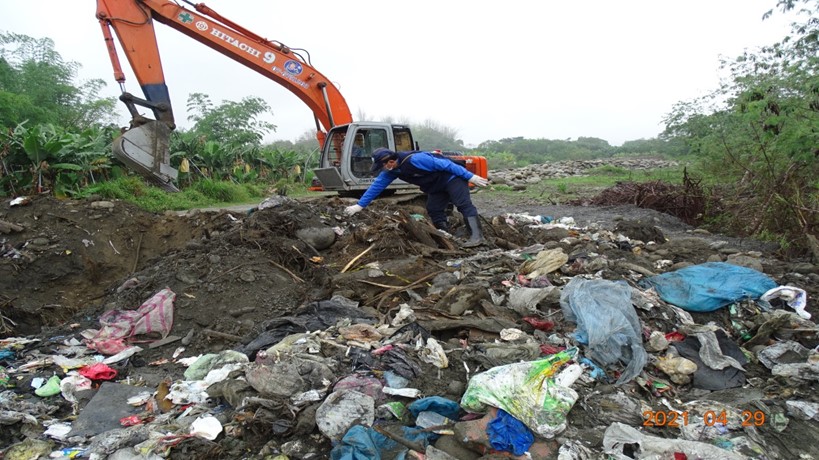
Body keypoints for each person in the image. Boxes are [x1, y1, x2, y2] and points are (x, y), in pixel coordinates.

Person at [344, 147, 490, 247]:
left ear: (390, 162)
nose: (381, 170)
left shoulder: (416, 159)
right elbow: (376, 186)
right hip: (436, 186)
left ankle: (477, 237)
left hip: (452, 178)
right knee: (433, 209)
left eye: (382, 166)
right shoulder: (392, 171)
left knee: (462, 204)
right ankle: (445, 236)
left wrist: (470, 176)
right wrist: (360, 205)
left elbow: (447, 165)